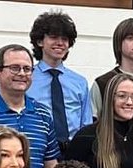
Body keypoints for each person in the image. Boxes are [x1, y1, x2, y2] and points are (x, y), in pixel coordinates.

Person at [28, 10, 92, 146]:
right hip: (38, 148)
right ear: (40, 41)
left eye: (64, 39)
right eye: (53, 37)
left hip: (73, 150)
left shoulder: (79, 82)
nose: (60, 43)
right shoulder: (27, 78)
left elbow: (86, 125)